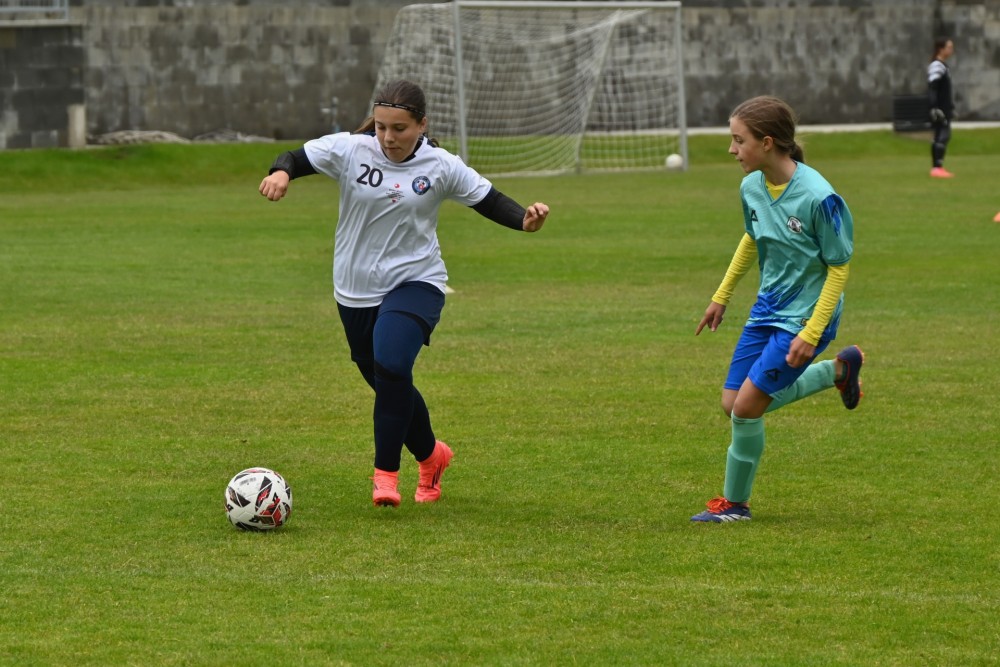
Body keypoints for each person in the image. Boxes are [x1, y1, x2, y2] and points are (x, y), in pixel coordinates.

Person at [259, 79, 549, 508]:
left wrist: (524, 220)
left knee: (392, 363)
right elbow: (294, 158)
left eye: (399, 129)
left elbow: (489, 200)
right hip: (355, 290)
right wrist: (280, 173)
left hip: (417, 281)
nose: (388, 138)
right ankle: (432, 456)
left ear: (421, 125)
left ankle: (386, 477)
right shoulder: (350, 149)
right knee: (387, 381)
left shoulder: (440, 165)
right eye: (381, 127)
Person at [690, 95, 864, 523]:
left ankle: (735, 505)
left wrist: (812, 331)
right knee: (732, 402)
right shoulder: (752, 186)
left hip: (807, 316)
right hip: (768, 309)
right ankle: (838, 372)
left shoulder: (820, 198)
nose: (732, 149)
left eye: (739, 140)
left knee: (747, 409)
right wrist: (722, 295)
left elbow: (839, 268)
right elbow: (753, 237)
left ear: (767, 143)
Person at [928, 37, 955, 178]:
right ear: (941, 49)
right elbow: (933, 87)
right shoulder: (937, 66)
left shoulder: (943, 66)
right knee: (942, 135)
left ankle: (937, 167)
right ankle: (937, 168)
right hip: (940, 108)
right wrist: (934, 107)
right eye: (949, 47)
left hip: (945, 107)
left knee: (942, 135)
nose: (951, 50)